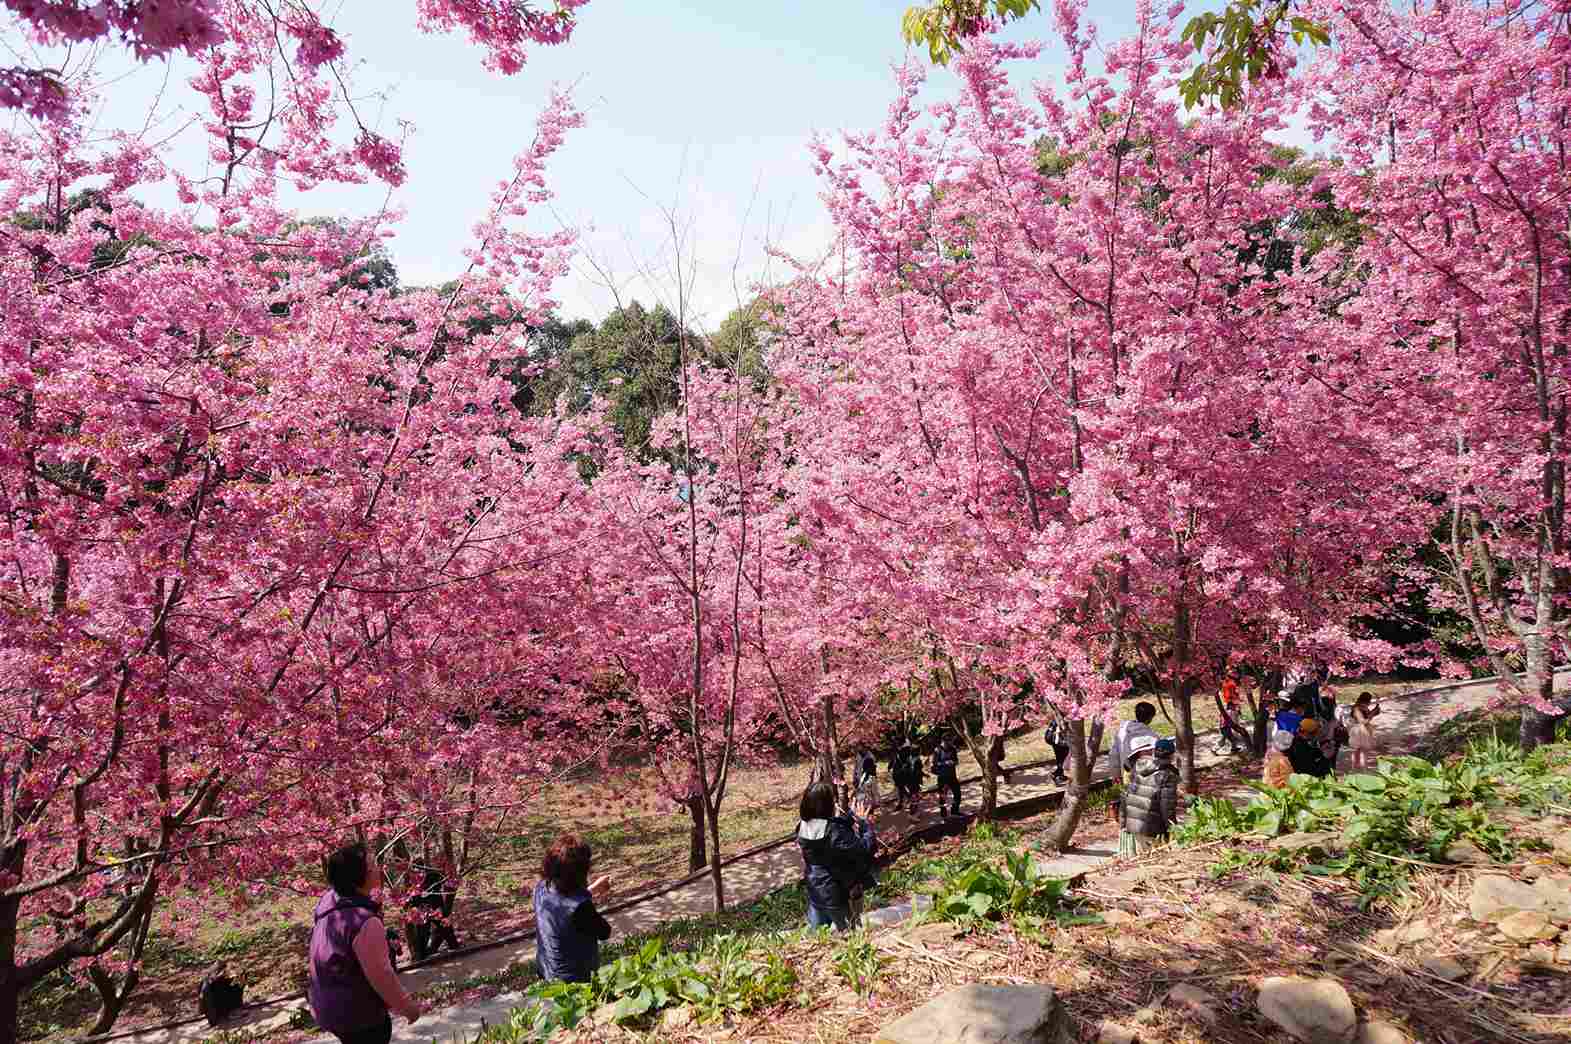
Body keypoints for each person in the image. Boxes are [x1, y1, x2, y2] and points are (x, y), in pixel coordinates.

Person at [308, 842, 422, 1044]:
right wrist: (407, 1008)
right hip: (360, 1016)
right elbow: (381, 975)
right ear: (358, 879)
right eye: (373, 867)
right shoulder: (364, 922)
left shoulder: (329, 905)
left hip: (330, 1007)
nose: (379, 870)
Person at [796, 782, 877, 930]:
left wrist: (852, 815)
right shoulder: (834, 832)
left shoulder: (802, 826)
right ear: (827, 805)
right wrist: (866, 825)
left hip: (815, 888)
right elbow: (864, 849)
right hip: (834, 892)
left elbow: (829, 827)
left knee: (818, 933)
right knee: (849, 932)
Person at [532, 835, 613, 983]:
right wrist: (587, 898)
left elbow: (563, 904)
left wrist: (591, 890)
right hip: (573, 981)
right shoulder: (581, 908)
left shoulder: (541, 888)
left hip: (546, 970)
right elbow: (604, 932)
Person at [1119, 736, 1179, 857]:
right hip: (1152, 829)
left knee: (1141, 860)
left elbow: (1126, 795)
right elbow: (1167, 807)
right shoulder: (1167, 775)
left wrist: (1123, 822)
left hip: (1133, 825)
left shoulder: (1138, 767)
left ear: (1154, 752)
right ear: (1172, 755)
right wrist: (1173, 829)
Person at [406, 862, 460, 961]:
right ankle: (421, 955)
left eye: (419, 871)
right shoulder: (412, 882)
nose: (418, 874)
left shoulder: (433, 876)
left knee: (445, 928)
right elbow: (412, 897)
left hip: (436, 907)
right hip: (422, 910)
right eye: (414, 871)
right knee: (422, 933)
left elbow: (443, 877)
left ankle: (454, 945)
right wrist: (414, 908)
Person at [1111, 702, 1158, 785]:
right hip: (1146, 781)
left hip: (1127, 778)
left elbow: (1114, 755)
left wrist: (1116, 774)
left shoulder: (1121, 732)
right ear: (1150, 717)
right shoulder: (1153, 737)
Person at [1345, 691, 1382, 773]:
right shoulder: (1356, 708)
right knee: (1358, 751)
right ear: (1365, 700)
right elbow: (1362, 721)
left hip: (1363, 730)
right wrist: (1373, 713)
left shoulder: (1363, 707)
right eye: (1369, 701)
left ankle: (1361, 769)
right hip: (1358, 730)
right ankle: (1357, 769)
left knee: (1361, 751)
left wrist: (1374, 712)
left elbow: (1367, 718)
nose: (1369, 703)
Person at [1215, 674, 1248, 754]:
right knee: (1224, 738)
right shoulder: (1229, 685)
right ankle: (1215, 748)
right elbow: (1231, 697)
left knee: (1230, 738)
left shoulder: (1229, 685)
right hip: (1225, 727)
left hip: (1226, 727)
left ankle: (1234, 748)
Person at [931, 737, 962, 817]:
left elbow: (956, 761)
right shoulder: (937, 750)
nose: (948, 744)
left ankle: (954, 811)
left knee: (957, 793)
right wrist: (945, 763)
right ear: (943, 741)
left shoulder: (952, 749)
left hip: (952, 776)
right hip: (942, 777)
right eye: (947, 742)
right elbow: (934, 763)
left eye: (950, 742)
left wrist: (953, 762)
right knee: (942, 796)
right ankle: (943, 813)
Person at [891, 739, 924, 812]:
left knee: (912, 792)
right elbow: (895, 758)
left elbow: (911, 764)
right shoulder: (898, 750)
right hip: (901, 773)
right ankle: (907, 805)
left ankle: (912, 807)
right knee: (902, 788)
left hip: (908, 775)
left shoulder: (907, 749)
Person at [1044, 714, 1069, 784]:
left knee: (1060, 759)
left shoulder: (1055, 718)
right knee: (1063, 760)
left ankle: (1058, 775)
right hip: (1061, 743)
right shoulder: (1063, 719)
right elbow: (1063, 730)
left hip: (1054, 742)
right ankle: (1056, 776)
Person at [855, 748, 880, 813]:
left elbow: (875, 792)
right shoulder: (862, 776)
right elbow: (856, 767)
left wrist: (877, 802)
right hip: (862, 799)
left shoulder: (872, 779)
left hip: (869, 801)